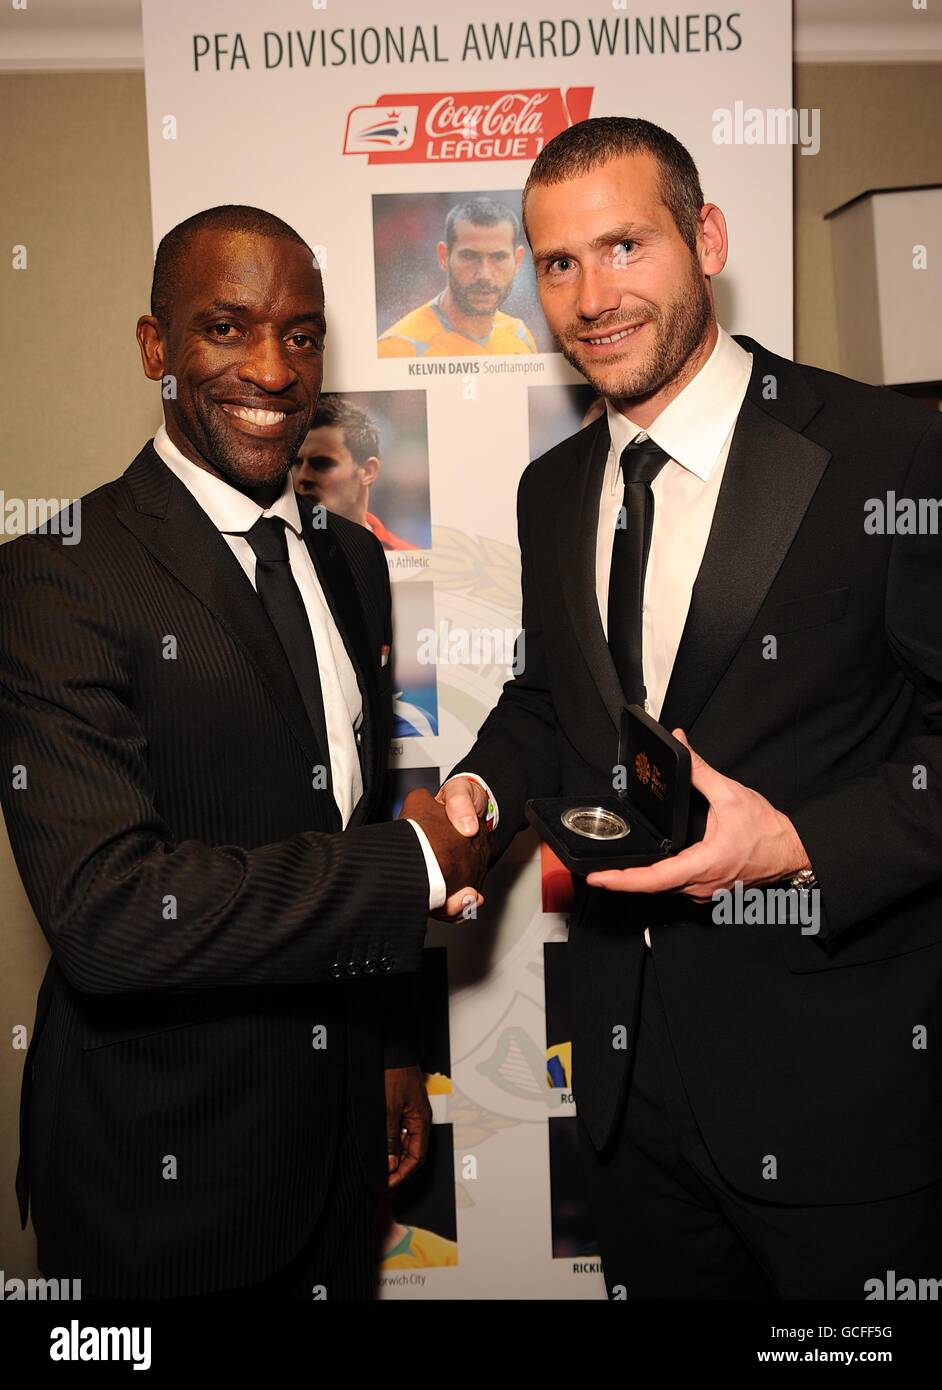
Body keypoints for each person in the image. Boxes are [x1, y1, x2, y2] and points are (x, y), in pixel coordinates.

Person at [438, 117, 942, 1299]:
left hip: (841, 1097)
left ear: (705, 237)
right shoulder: (551, 486)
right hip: (630, 1091)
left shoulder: (889, 454)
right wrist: (481, 787)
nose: (591, 296)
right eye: (558, 263)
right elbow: (549, 690)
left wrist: (804, 842)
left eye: (624, 246)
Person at [0, 204, 487, 1300]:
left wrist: (394, 1046)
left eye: (302, 334)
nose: (272, 367)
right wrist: (412, 871)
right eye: (227, 327)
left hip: (340, 1148)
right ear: (154, 347)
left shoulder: (352, 558)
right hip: (164, 1184)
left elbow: (351, 820)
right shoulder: (57, 575)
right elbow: (105, 912)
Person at [377, 198, 537, 357]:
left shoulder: (520, 336)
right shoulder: (398, 348)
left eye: (498, 257)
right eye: (469, 256)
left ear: (517, 261)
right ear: (443, 257)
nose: (484, 274)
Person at [293, 396, 416, 550]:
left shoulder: (406, 555)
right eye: (297, 463)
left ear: (368, 471)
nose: (303, 477)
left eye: (322, 463)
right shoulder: (279, 554)